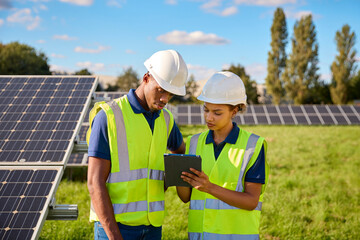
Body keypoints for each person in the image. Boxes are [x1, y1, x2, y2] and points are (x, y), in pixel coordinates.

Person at [86, 50, 188, 240]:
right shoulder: (108, 117)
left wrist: (164, 181)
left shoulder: (166, 120)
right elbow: (94, 183)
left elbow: (180, 153)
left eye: (171, 94)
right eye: (161, 90)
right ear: (146, 78)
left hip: (152, 227)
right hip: (114, 228)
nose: (165, 99)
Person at [177, 71, 269, 239]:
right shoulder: (193, 143)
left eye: (217, 113)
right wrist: (176, 176)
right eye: (206, 110)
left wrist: (209, 187)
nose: (209, 117)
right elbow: (185, 198)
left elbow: (251, 202)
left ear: (234, 111)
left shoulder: (253, 146)